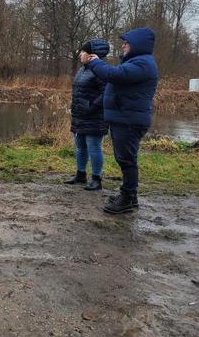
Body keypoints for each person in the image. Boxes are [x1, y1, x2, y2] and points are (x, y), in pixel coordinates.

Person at [80, 27, 159, 214]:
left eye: (127, 42)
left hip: (129, 121)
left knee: (127, 160)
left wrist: (94, 61)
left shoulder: (143, 64)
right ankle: (129, 196)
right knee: (124, 159)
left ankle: (128, 197)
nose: (123, 45)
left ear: (137, 44)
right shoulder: (137, 62)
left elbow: (113, 75)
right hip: (124, 119)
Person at [65, 39, 110, 191]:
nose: (80, 54)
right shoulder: (82, 70)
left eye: (83, 52)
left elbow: (106, 94)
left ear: (91, 55)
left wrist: (91, 107)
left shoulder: (101, 70)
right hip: (80, 115)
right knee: (80, 147)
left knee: (94, 147)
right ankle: (80, 175)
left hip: (95, 116)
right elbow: (77, 92)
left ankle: (97, 179)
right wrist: (74, 107)